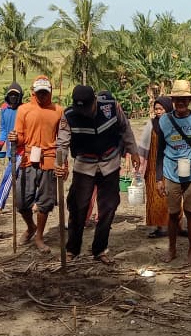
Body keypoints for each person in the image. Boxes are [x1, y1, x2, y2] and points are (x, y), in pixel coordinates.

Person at [55, 85, 141, 265]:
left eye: (87, 107)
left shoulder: (111, 107)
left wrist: (133, 151)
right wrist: (60, 163)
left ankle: (100, 249)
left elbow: (125, 128)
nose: (84, 112)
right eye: (81, 109)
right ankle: (72, 249)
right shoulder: (69, 115)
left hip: (109, 162)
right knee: (78, 207)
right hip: (84, 164)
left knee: (109, 207)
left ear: (95, 101)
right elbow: (62, 143)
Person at [155, 80, 191, 265]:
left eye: (184, 99)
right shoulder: (164, 121)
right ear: (173, 100)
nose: (181, 102)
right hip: (171, 172)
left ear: (189, 100)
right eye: (177, 99)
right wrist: (158, 178)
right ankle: (172, 249)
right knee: (172, 213)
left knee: (190, 212)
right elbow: (160, 151)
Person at [8, 76, 63, 252]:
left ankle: (39, 236)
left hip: (49, 158)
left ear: (50, 92)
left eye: (45, 92)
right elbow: (21, 137)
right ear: (33, 92)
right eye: (39, 92)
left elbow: (62, 140)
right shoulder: (24, 110)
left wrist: (64, 164)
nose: (42, 96)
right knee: (21, 200)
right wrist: (15, 138)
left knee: (45, 202)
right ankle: (30, 226)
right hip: (28, 159)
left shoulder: (58, 111)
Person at [139, 96, 173, 238]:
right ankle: (160, 227)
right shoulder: (151, 125)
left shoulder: (175, 124)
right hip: (153, 167)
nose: (158, 111)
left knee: (172, 196)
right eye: (156, 109)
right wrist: (140, 164)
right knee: (157, 197)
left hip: (171, 166)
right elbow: (144, 145)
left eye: (161, 109)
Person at [0, 83, 23, 213]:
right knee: (17, 177)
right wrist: (0, 144)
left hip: (22, 148)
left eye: (15, 95)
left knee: (9, 176)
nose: (13, 97)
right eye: (11, 95)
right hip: (11, 149)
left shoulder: (24, 109)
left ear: (20, 96)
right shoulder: (4, 109)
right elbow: (4, 129)